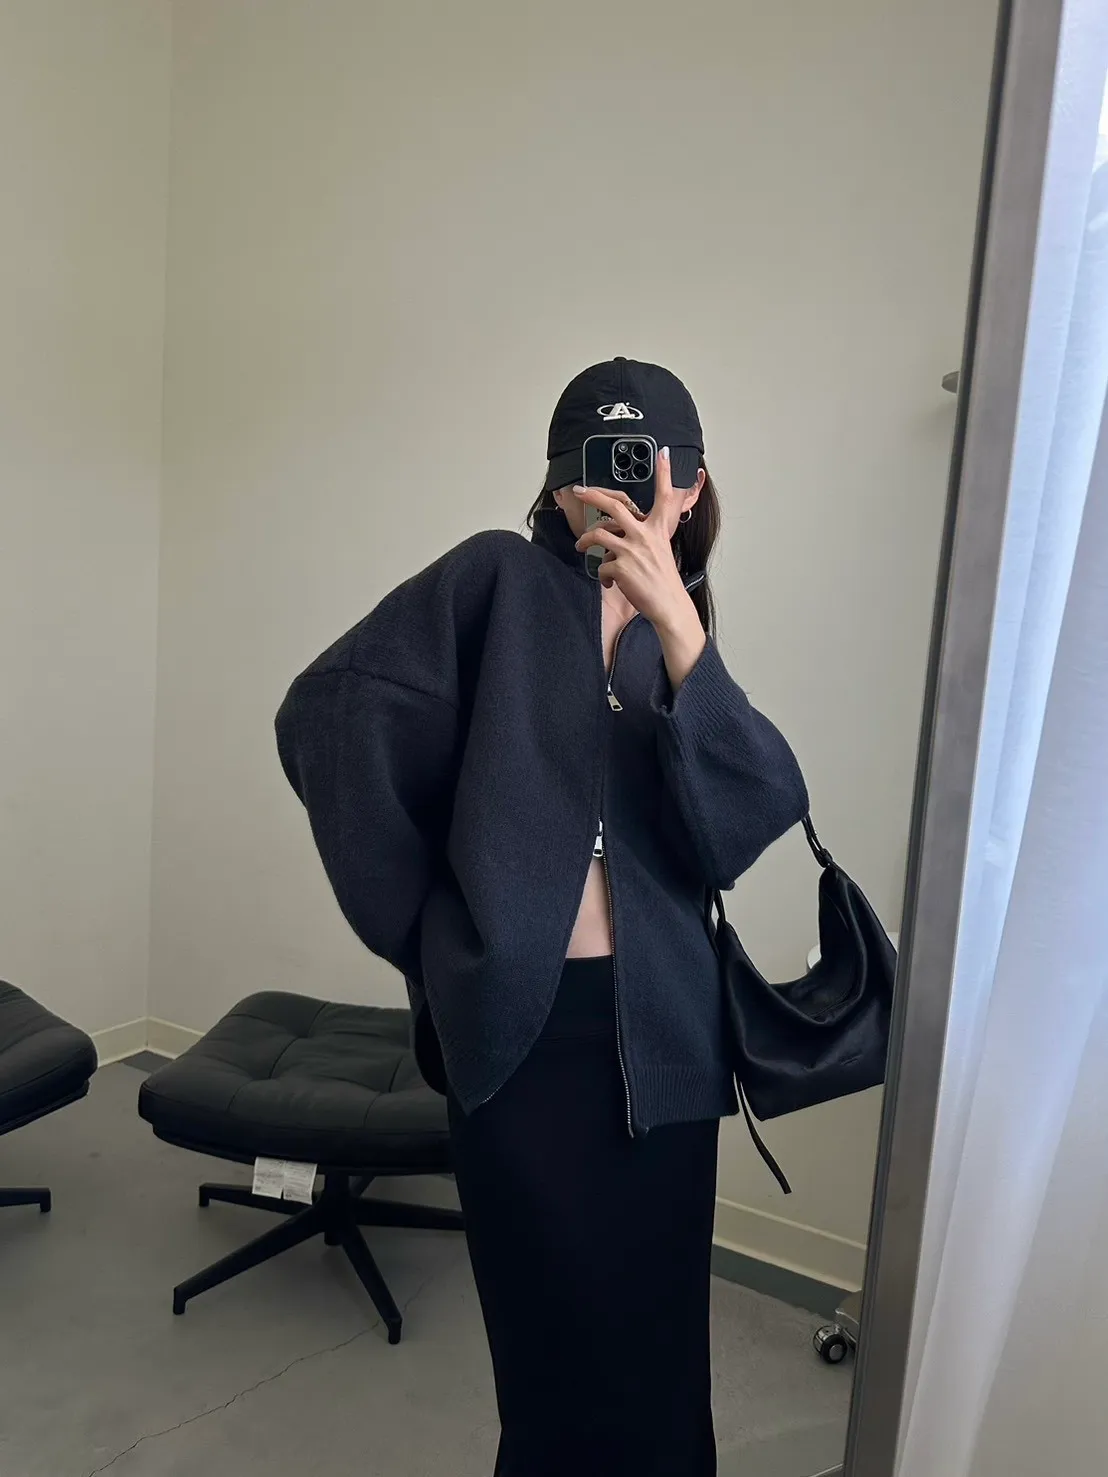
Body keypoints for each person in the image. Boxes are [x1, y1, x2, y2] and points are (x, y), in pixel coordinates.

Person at [275, 358, 808, 1476]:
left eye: (645, 463)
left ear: (689, 485)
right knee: (550, 1357)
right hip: (521, 1034)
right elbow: (327, 714)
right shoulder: (495, 583)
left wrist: (677, 626)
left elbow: (752, 818)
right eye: (591, 463)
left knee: (662, 1356)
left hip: (670, 1039)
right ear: (557, 483)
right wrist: (433, 926)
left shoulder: (680, 630)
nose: (617, 485)